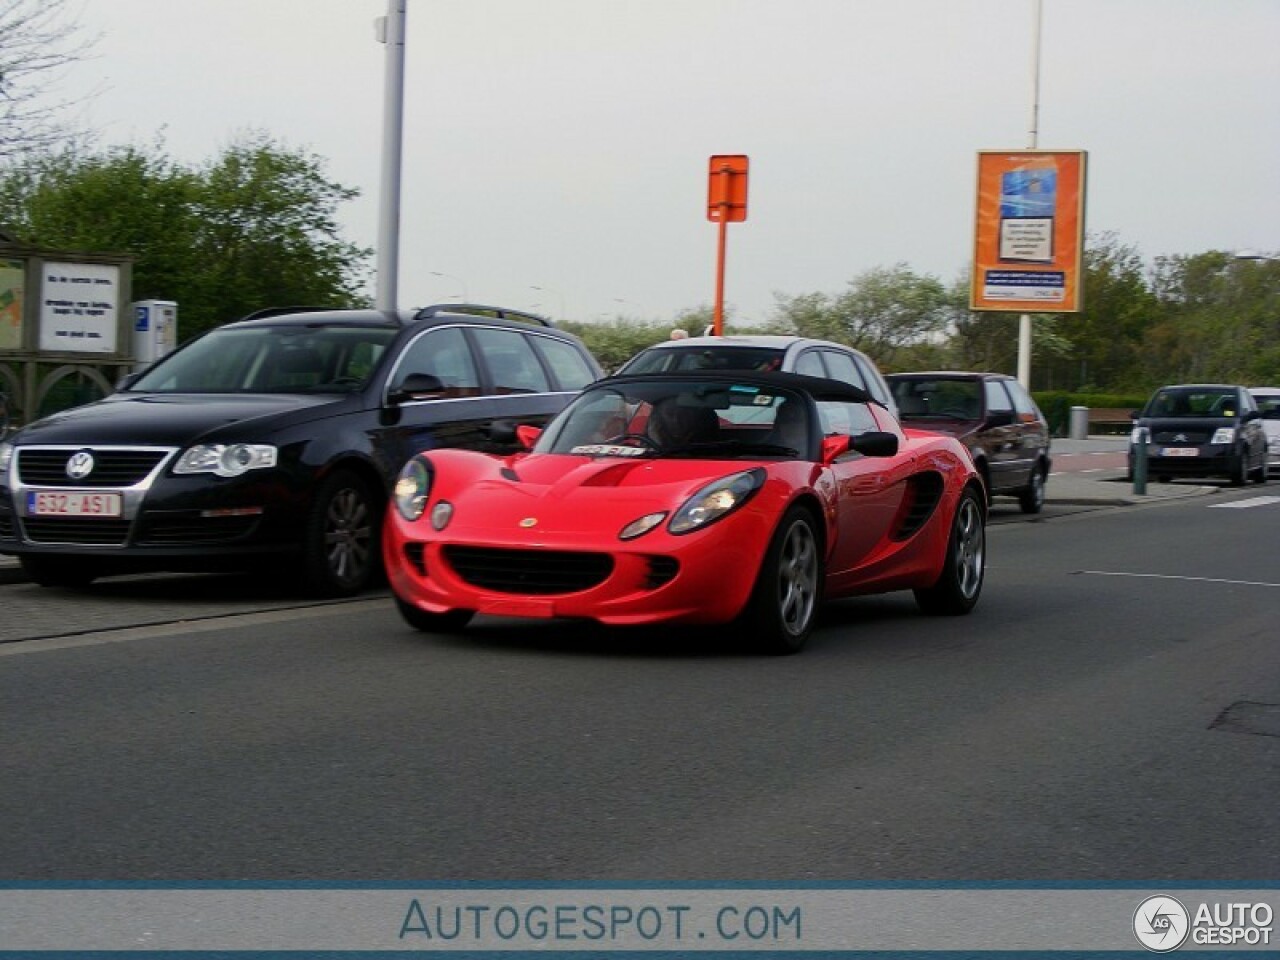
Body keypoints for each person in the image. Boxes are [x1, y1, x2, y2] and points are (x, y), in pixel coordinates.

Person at [647, 397, 719, 446]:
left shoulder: (707, 444)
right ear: (659, 417)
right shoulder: (647, 447)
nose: (676, 420)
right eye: (670, 414)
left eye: (683, 414)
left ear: (693, 417)